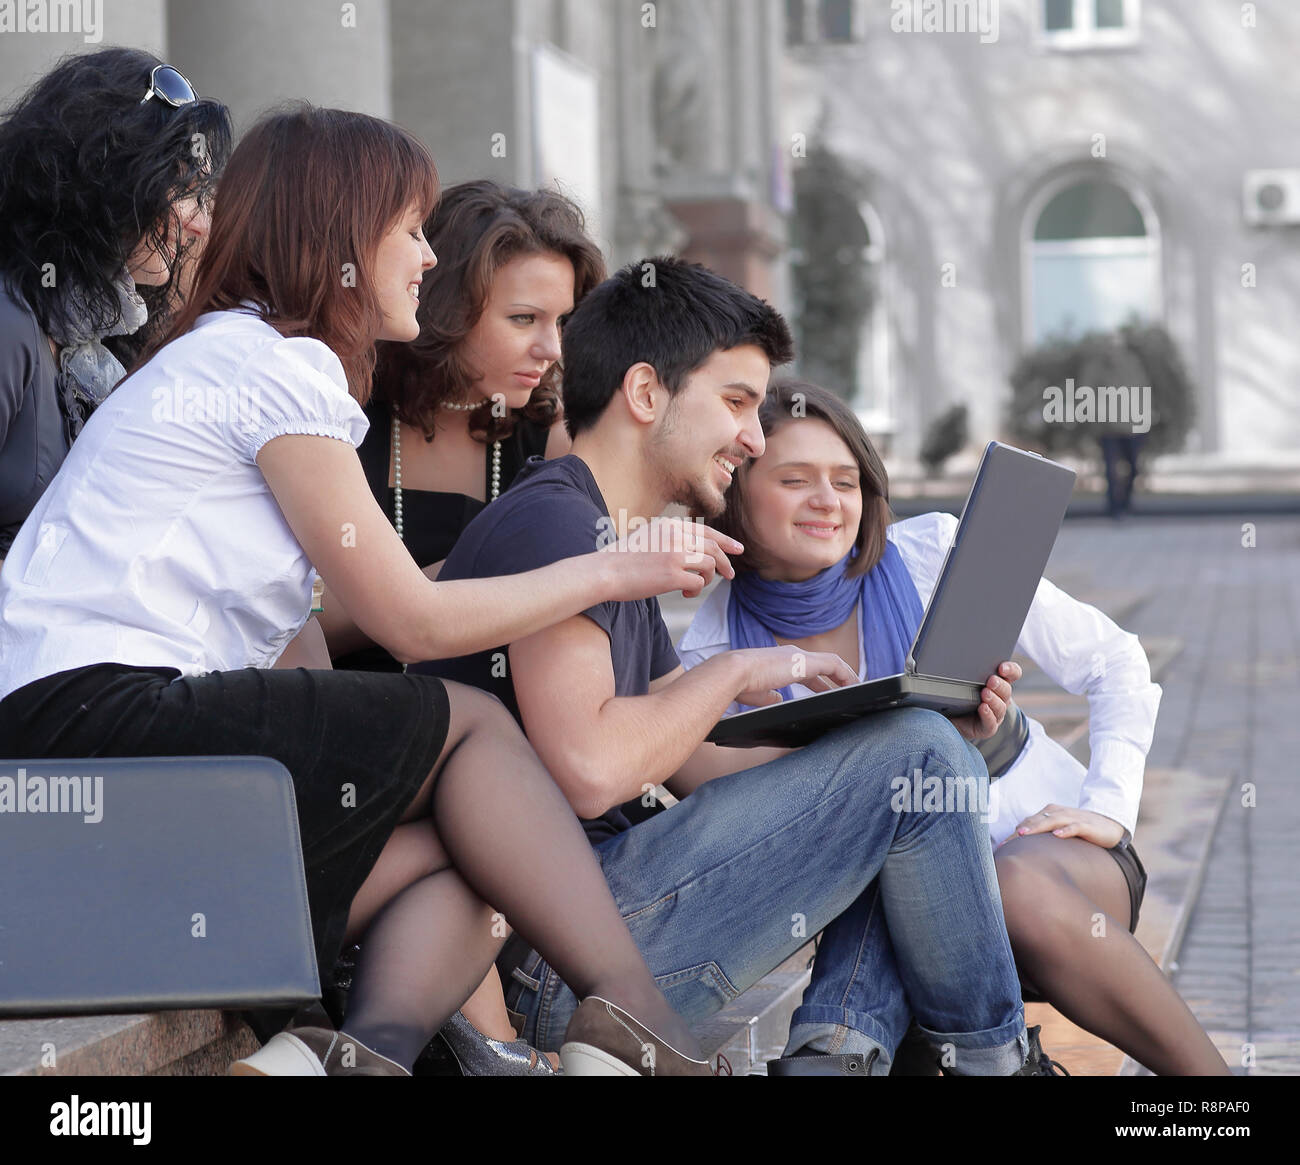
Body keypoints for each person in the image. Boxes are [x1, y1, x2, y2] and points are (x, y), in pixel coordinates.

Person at [0, 106, 740, 1078]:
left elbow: (297, 646)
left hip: (73, 745)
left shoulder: (226, 357)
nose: (427, 257)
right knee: (471, 727)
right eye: (407, 229)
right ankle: (646, 1027)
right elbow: (408, 618)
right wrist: (613, 566)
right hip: (89, 718)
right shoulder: (275, 365)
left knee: (481, 846)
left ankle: (347, 1057)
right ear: (335, 234)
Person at [423, 255, 1052, 1076]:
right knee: (916, 763)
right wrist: (734, 672)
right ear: (646, 395)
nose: (753, 438)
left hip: (605, 927)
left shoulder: (611, 540)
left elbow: (693, 762)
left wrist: (873, 741)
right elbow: (590, 768)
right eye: (736, 402)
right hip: (566, 965)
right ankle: (987, 1062)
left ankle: (843, 1053)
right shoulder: (557, 529)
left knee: (913, 764)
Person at [677, 378, 1230, 1075]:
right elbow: (769, 831)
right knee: (886, 820)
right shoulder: (713, 652)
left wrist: (1110, 807)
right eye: (795, 479)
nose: (828, 500)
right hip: (895, 913)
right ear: (737, 488)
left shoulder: (931, 554)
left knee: (1012, 883)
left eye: (846, 481)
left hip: (1049, 862)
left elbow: (1116, 660)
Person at [320, 179, 606, 1073]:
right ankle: (498, 1043)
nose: (549, 350)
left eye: (563, 322)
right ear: (446, 306)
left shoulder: (539, 445)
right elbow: (306, 627)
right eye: (524, 318)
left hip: (523, 771)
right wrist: (460, 580)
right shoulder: (346, 423)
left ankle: (472, 1044)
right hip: (370, 757)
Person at [0, 48, 230, 567]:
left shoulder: (112, 334)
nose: (201, 225)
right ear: (111, 182)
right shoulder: (11, 323)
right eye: (187, 194)